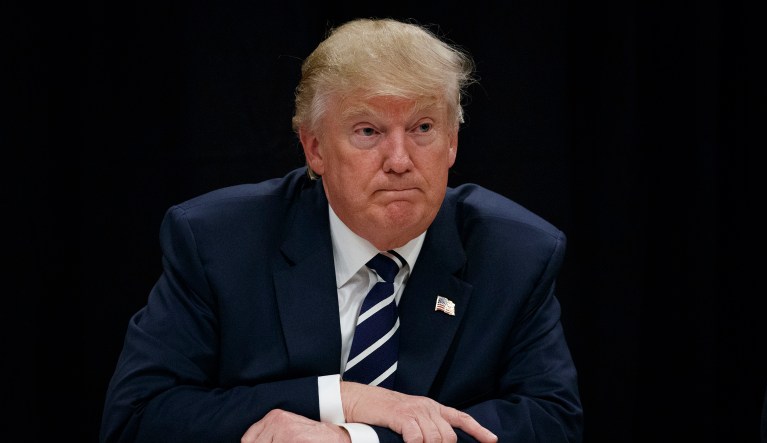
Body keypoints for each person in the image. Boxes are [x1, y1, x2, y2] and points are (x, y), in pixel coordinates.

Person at [100, 17, 583, 443]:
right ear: (314, 149)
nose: (399, 161)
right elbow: (138, 417)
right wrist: (343, 399)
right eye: (368, 132)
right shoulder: (217, 242)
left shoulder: (515, 253)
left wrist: (354, 438)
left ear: (452, 143)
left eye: (422, 128)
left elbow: (551, 422)